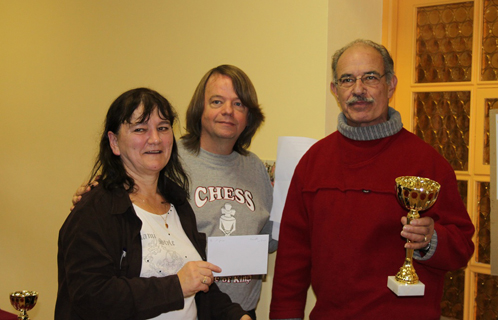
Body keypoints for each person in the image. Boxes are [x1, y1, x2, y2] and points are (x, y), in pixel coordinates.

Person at [269, 39, 475, 320]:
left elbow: (462, 248)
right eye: (347, 80)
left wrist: (430, 240)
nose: (358, 90)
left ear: (390, 84)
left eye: (370, 77)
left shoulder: (428, 163)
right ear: (335, 91)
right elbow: (291, 260)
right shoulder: (313, 162)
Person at [72, 65, 277, 319]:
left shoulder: (178, 206)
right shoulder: (99, 208)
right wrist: (177, 286)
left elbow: (202, 286)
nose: (155, 139)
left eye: (162, 128)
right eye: (140, 129)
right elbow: (88, 296)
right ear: (114, 142)